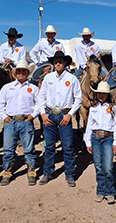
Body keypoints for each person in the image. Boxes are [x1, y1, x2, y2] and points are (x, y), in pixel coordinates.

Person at [37, 51, 82, 187]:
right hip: (50, 114)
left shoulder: (72, 79)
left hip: (64, 115)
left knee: (68, 147)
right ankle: (48, 173)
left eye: (60, 61)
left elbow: (78, 98)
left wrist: (70, 114)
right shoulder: (48, 78)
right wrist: (43, 114)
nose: (58, 63)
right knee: (49, 146)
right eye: (55, 61)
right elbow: (41, 97)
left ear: (65, 63)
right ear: (53, 63)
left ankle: (69, 175)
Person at [0, 60, 39, 186]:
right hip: (11, 121)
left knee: (29, 148)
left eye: (23, 71)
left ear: (27, 73)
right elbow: (0, 104)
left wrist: (32, 115)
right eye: (18, 71)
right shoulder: (7, 88)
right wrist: (4, 117)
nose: (21, 73)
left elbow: (39, 104)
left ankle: (31, 170)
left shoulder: (33, 88)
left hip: (26, 121)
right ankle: (7, 171)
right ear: (15, 73)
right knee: (8, 148)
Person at [84, 81, 116, 204]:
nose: (101, 96)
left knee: (108, 166)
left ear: (108, 95)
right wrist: (88, 142)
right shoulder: (93, 108)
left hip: (108, 138)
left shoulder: (113, 108)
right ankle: (100, 191)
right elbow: (89, 126)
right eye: (99, 93)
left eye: (104, 94)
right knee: (98, 166)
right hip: (95, 138)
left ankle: (110, 191)